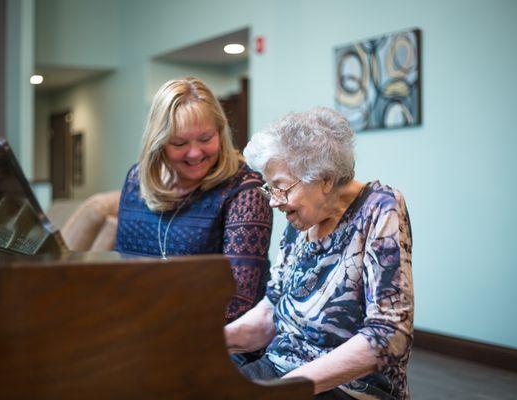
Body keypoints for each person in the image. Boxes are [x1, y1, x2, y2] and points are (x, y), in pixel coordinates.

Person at [225, 107, 414, 399]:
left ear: (325, 180)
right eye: (270, 188)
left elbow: (388, 334)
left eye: (281, 188)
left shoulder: (379, 207)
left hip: (348, 387)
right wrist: (208, 342)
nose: (274, 202)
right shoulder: (301, 220)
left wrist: (289, 385)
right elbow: (270, 312)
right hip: (282, 370)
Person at [115, 77, 272, 322]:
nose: (195, 153)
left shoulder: (245, 190)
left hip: (212, 336)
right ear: (159, 142)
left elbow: (238, 300)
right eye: (179, 143)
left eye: (206, 139)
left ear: (220, 132)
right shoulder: (137, 179)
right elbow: (122, 269)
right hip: (138, 327)